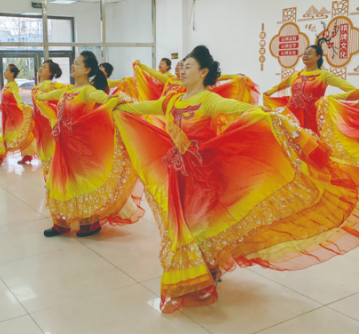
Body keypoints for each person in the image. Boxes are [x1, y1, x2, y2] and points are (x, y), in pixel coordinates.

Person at [114, 45, 359, 313]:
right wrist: (117, 104)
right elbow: (139, 108)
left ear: (203, 72)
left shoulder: (209, 100)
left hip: (205, 174)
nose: (181, 71)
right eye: (181, 66)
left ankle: (207, 269)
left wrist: (267, 114)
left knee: (202, 223)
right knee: (181, 223)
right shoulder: (172, 101)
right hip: (178, 173)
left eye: (188, 67)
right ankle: (193, 270)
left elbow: (240, 108)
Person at [35, 51, 144, 237]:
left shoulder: (88, 91)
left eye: (77, 63)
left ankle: (90, 223)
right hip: (63, 147)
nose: (73, 65)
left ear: (87, 70)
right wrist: (38, 96)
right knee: (59, 182)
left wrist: (119, 99)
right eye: (73, 62)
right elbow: (45, 97)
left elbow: (105, 99)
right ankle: (61, 224)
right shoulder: (68, 90)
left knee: (83, 182)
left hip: (80, 148)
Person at [264, 44, 359, 134]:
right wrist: (267, 94)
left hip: (312, 119)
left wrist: (330, 98)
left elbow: (355, 92)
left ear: (318, 56)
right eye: (304, 53)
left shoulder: (324, 75)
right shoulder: (296, 75)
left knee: (311, 143)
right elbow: (278, 87)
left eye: (309, 53)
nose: (305, 55)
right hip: (291, 117)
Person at [0, 64, 37, 164]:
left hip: (13, 114)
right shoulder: (7, 85)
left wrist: (21, 106)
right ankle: (1, 156)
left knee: (17, 133)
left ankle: (0, 157)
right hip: (8, 113)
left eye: (7, 70)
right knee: (10, 134)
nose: (5, 72)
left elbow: (16, 97)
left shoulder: (13, 85)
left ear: (12, 74)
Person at [32, 60, 65, 179]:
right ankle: (49, 177)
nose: (41, 68)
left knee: (49, 149)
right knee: (43, 149)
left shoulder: (49, 85)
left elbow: (54, 101)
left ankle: (52, 178)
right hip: (39, 122)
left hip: (47, 122)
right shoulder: (36, 87)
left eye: (45, 67)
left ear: (50, 73)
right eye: (41, 66)